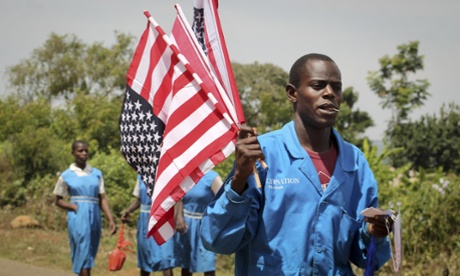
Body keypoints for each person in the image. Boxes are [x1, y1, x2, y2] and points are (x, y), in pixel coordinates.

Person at [200, 53, 393, 275]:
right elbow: (217, 241)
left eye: (336, 87)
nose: (329, 93)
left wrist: (373, 232)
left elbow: (367, 258)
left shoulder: (355, 164)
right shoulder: (262, 155)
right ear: (293, 93)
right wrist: (238, 181)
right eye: (318, 86)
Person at [53, 140, 117, 276]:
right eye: (80, 151)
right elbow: (58, 200)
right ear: (73, 153)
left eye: (86, 151)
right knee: (83, 249)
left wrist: (110, 219)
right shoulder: (66, 175)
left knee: (90, 250)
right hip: (78, 215)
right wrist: (73, 207)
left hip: (94, 214)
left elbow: (102, 198)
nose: (84, 153)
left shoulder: (96, 174)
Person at [121, 175, 175, 276]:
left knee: (165, 257)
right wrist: (128, 211)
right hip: (145, 220)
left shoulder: (167, 171)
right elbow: (139, 199)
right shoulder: (141, 176)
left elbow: (177, 197)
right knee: (145, 256)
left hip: (162, 218)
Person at [175, 170, 223, 276]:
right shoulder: (186, 176)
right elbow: (180, 197)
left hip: (205, 225)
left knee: (208, 261)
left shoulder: (212, 178)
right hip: (186, 225)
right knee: (185, 264)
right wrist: (178, 216)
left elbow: (222, 201)